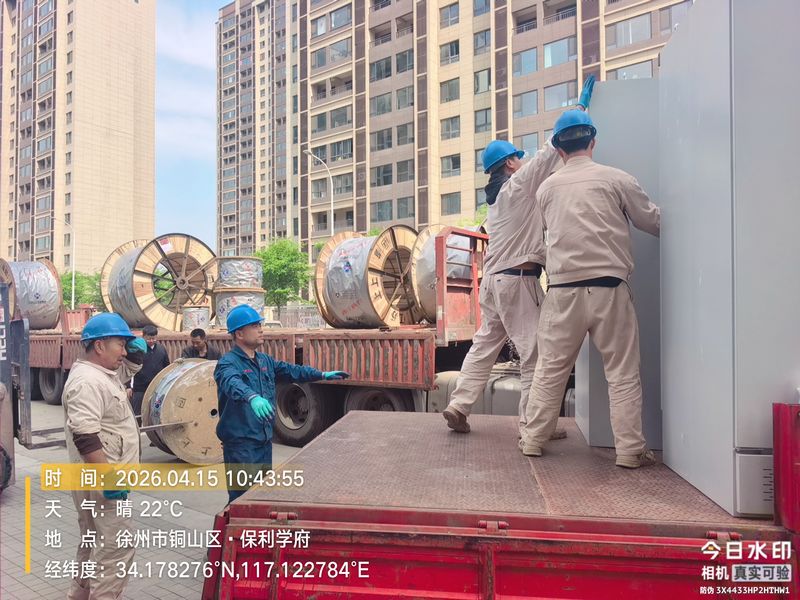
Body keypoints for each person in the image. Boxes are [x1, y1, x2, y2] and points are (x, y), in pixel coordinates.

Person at [442, 77, 596, 439]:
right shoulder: (518, 186)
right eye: (517, 158)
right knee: (535, 354)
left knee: (484, 346)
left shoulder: (497, 202)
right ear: (510, 163)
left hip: (494, 283)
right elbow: (546, 155)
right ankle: (533, 425)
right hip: (517, 280)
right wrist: (579, 111)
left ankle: (459, 404)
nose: (522, 161)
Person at [520, 109, 661, 469]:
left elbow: (546, 232)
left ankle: (533, 439)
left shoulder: (546, 188)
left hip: (562, 291)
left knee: (550, 370)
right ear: (593, 141)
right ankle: (629, 451)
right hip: (609, 289)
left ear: (558, 149)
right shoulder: (617, 179)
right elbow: (652, 221)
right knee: (622, 373)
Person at [214, 304, 349, 503]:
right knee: (241, 500)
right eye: (255, 326)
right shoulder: (227, 363)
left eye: (260, 325)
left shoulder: (264, 361)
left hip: (263, 442)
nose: (261, 330)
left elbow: (292, 371)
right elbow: (231, 382)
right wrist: (252, 397)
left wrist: (321, 374)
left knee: (261, 496)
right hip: (241, 446)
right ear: (239, 334)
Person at [62, 313, 148, 600]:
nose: (123, 352)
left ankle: (79, 595)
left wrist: (134, 354)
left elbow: (125, 371)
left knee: (93, 539)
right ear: (99, 346)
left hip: (96, 478)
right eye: (120, 345)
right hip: (102, 480)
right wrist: (108, 477)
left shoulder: (100, 374)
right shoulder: (87, 382)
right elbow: (85, 435)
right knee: (115, 546)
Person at [130, 324, 170, 416]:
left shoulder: (161, 349)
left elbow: (166, 366)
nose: (151, 341)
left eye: (153, 338)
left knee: (156, 413)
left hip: (157, 388)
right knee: (138, 414)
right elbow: (130, 367)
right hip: (140, 388)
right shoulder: (138, 350)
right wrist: (128, 386)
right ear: (143, 337)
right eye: (148, 339)